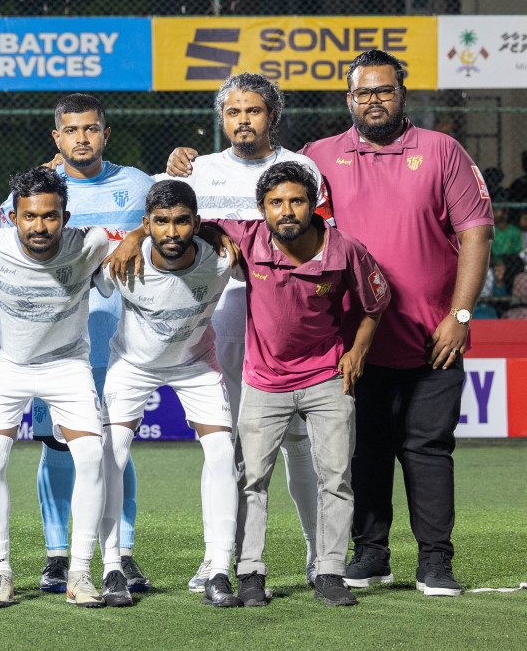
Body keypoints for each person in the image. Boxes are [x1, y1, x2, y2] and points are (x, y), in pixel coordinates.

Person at [302, 50, 493, 596]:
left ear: (402, 94)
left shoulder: (441, 151)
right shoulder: (319, 156)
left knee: (427, 449)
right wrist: (189, 167)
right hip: (354, 343)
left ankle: (435, 562)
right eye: (363, 93)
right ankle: (372, 555)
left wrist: (459, 315)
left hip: (434, 338)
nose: (374, 101)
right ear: (348, 99)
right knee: (363, 451)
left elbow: (476, 232)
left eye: (384, 90)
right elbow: (268, 194)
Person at [175, 162, 389, 608]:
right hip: (263, 381)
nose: (286, 211)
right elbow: (192, 223)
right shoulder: (249, 239)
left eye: (296, 201)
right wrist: (144, 237)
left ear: (314, 205)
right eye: (276, 203)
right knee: (250, 479)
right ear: (261, 209)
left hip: (326, 377)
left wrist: (358, 352)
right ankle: (250, 571)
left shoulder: (345, 249)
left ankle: (329, 571)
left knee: (336, 478)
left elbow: (376, 303)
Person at [162, 72, 325, 590]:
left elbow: (321, 243)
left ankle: (320, 555)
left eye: (253, 111)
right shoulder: (199, 171)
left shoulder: (301, 169)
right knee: (227, 446)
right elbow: (157, 220)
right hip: (222, 327)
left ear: (271, 116)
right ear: (221, 119)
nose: (243, 120)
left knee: (300, 441)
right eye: (233, 112)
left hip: (290, 327)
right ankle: (220, 559)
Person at [0, 166, 124, 609]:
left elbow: (131, 238)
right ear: (12, 216)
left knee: (91, 455)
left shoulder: (90, 242)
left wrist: (137, 234)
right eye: (29, 216)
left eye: (50, 216)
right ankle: (0, 571)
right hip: (6, 366)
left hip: (66, 364)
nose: (39, 226)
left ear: (65, 216)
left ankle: (80, 573)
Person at [12, 93, 154, 597]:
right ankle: (56, 556)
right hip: (59, 343)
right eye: (71, 130)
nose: (82, 138)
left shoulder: (138, 185)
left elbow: (174, 223)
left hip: (122, 343)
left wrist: (138, 231)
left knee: (115, 447)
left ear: (105, 132)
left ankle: (124, 553)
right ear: (57, 137)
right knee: (56, 447)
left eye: (91, 128)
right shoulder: (40, 191)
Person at [89, 181, 240, 608]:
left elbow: (257, 240)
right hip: (132, 366)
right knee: (111, 452)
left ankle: (218, 569)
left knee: (222, 455)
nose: (171, 232)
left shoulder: (222, 257)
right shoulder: (120, 264)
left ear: (196, 222)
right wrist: (129, 241)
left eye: (181, 222)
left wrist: (214, 230)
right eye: (160, 223)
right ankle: (112, 567)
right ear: (146, 224)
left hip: (197, 364)